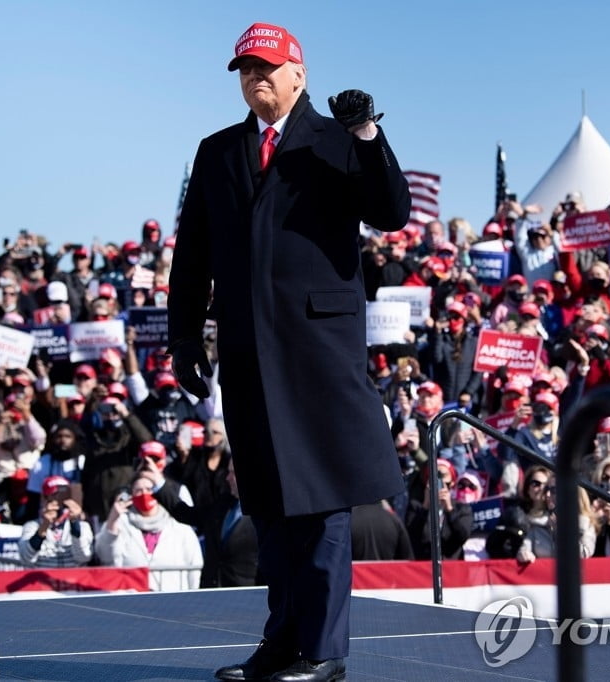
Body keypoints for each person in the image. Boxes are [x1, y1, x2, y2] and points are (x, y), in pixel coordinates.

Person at [168, 21, 410, 682]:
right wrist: (184, 334)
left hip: (318, 350)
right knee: (270, 504)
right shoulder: (217, 152)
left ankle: (323, 652)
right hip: (246, 350)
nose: (256, 79)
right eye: (246, 70)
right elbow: (192, 255)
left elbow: (391, 211)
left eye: (267, 68)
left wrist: (366, 135)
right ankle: (281, 644)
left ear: (299, 73)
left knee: (323, 499)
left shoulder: (335, 139)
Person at [94, 473, 203, 590]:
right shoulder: (121, 523)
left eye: (149, 489)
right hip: (132, 602)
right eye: (138, 490)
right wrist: (112, 521)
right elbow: (106, 557)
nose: (144, 494)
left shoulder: (180, 528)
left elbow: (195, 569)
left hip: (173, 602)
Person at [18, 475, 94, 568]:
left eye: (64, 498)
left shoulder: (83, 526)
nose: (59, 504)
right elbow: (26, 559)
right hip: (41, 580)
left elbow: (84, 557)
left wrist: (74, 522)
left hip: (71, 579)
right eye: (54, 497)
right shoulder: (32, 526)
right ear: (44, 499)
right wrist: (44, 526)